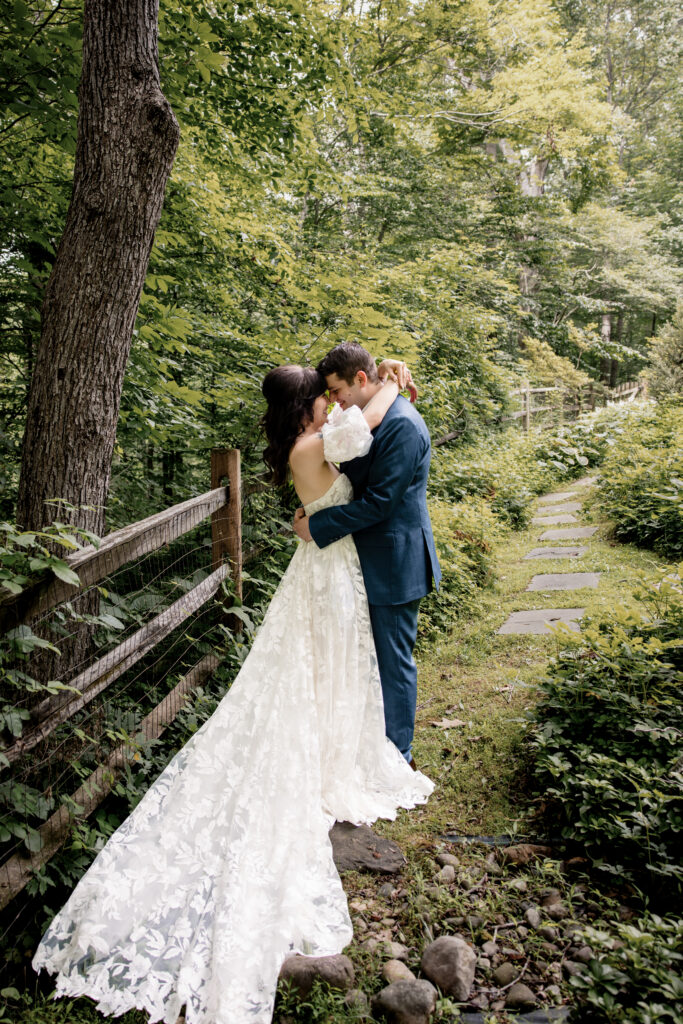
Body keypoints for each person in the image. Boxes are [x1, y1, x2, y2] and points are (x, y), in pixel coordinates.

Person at [32, 361, 433, 1024]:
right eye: (323, 395)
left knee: (320, 667)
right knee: (329, 665)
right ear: (310, 405)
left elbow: (356, 438)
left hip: (324, 568)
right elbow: (363, 430)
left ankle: (334, 746)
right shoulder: (324, 441)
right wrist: (390, 380)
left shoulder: (300, 445)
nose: (334, 401)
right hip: (331, 572)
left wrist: (374, 393)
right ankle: (337, 755)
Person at [293, 342, 441, 767]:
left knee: (393, 661)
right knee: (368, 658)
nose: (335, 402)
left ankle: (398, 756)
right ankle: (370, 747)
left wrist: (316, 526)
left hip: (394, 561)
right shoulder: (364, 412)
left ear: (360, 379)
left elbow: (380, 503)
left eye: (337, 391)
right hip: (361, 559)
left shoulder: (403, 427)